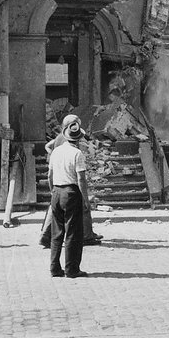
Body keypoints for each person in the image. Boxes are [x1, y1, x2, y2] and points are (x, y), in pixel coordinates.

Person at [39, 114, 102, 247]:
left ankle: (45, 236)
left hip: (58, 179)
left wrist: (52, 155)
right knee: (83, 207)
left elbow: (48, 147)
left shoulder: (59, 138)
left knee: (54, 210)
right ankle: (86, 236)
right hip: (69, 179)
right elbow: (81, 178)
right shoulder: (68, 142)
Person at [48, 120, 91, 278]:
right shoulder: (77, 154)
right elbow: (81, 180)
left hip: (57, 192)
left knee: (56, 233)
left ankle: (54, 268)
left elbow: (49, 175)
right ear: (78, 139)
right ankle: (72, 269)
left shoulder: (56, 151)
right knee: (73, 233)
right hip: (71, 193)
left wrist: (53, 191)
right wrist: (86, 200)